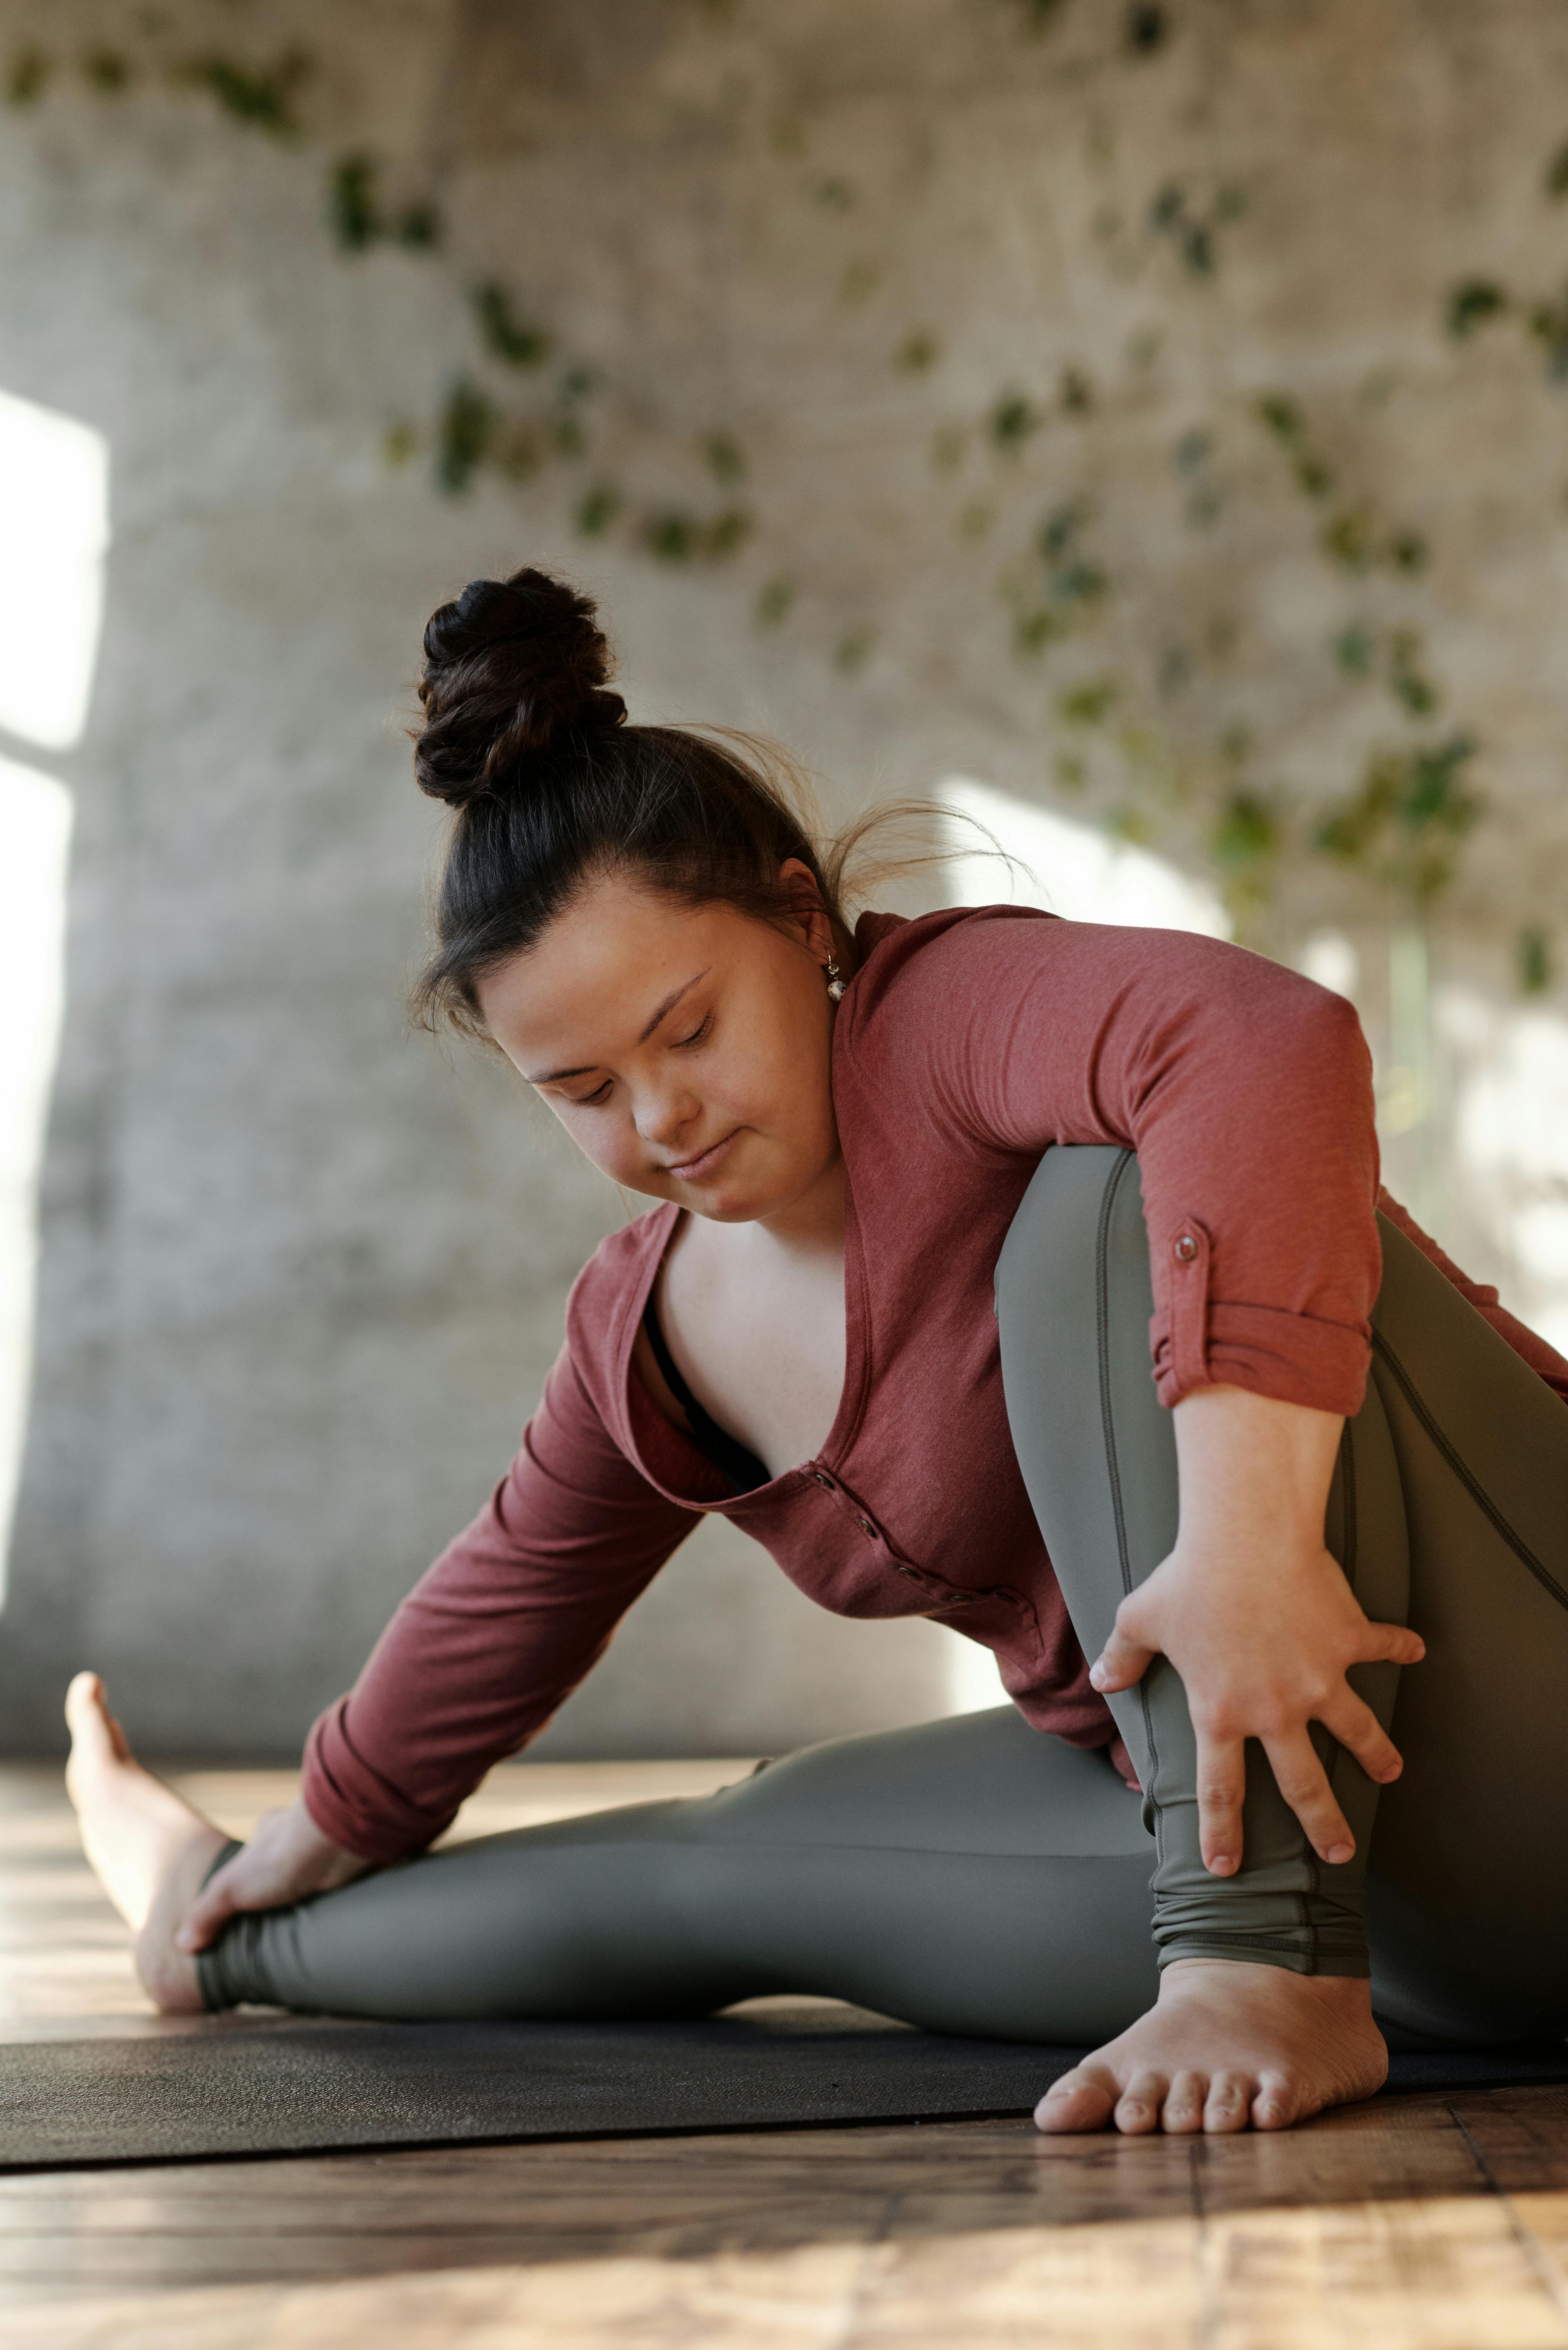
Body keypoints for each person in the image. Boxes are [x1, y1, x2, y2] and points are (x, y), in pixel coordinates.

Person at [65, 567, 1568, 2138]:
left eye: (690, 1028)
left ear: (798, 916)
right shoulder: (646, 1327)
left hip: (1507, 1715)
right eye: (581, 1089)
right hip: (1401, 1908)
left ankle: (1255, 1961)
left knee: (1099, 1195)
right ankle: (212, 1924)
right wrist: (313, 1829)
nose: (659, 1117)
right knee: (725, 1858)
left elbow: (1257, 1039)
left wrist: (1247, 1537)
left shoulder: (940, 1025)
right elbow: (507, 1592)